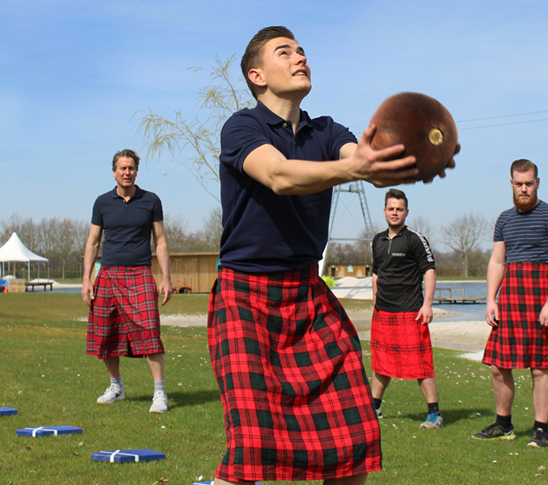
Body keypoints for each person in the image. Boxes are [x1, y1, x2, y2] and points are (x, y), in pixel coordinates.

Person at [207, 26, 459, 485]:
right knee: (252, 446)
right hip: (246, 297)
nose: (300, 57)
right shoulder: (242, 127)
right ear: (257, 75)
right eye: (285, 52)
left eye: (302, 51)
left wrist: (414, 156)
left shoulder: (327, 131)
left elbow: (366, 163)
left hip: (306, 294)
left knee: (353, 439)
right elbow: (280, 175)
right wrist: (353, 167)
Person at [82, 149, 172, 414]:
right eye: (122, 168)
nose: (127, 172)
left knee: (150, 332)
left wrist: (166, 277)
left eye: (131, 168)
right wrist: (86, 279)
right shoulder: (102, 203)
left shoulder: (151, 200)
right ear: (114, 172)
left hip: (140, 274)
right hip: (108, 275)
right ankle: (116, 387)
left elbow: (161, 240)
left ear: (136, 171)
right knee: (106, 333)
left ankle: (159, 393)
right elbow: (93, 242)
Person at [472, 159, 548, 447]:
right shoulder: (504, 219)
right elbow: (498, 261)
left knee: (541, 367)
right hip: (512, 294)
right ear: (512, 184)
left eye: (529, 183)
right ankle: (503, 424)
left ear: (537, 182)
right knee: (498, 364)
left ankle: (542, 429)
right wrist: (491, 300)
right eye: (519, 184)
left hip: (542, 292)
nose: (524, 188)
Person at [370, 189, 441, 429]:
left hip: (410, 311)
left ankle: (434, 414)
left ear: (406, 212)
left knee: (421, 363)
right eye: (391, 208)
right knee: (381, 363)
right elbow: (376, 273)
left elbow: (429, 270)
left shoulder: (415, 239)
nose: (395, 213)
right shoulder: (377, 240)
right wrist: (375, 301)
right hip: (383, 312)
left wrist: (427, 304)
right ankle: (374, 408)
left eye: (399, 209)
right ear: (385, 211)